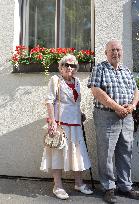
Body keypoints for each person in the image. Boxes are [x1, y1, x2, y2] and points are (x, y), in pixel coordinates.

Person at [87, 39, 139, 203]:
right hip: (107, 116)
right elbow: (96, 91)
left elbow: (136, 90)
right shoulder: (100, 68)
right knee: (107, 153)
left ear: (121, 52)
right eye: (112, 50)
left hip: (127, 117)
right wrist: (117, 107)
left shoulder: (126, 70)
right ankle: (108, 187)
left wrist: (132, 105)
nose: (115, 53)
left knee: (126, 152)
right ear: (106, 53)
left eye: (118, 49)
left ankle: (125, 186)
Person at [40, 54, 93, 200]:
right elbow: (49, 101)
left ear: (76, 68)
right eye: (66, 65)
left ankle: (79, 183)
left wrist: (80, 113)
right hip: (60, 124)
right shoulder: (55, 80)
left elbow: (75, 102)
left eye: (72, 65)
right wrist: (52, 121)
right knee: (57, 153)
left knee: (77, 153)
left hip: (75, 123)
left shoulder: (76, 82)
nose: (69, 68)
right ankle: (57, 186)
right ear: (61, 67)